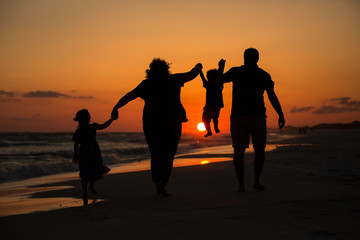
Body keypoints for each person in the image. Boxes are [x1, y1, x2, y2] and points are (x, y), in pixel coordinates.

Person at [111, 58, 202, 196]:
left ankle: (159, 183)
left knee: (156, 153)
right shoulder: (173, 79)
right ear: (167, 69)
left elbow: (130, 96)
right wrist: (198, 67)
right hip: (172, 123)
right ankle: (162, 184)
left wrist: (116, 107)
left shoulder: (147, 84)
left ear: (150, 71)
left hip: (151, 123)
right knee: (169, 153)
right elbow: (191, 74)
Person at [222, 48, 285, 192]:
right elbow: (272, 96)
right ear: (257, 59)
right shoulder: (263, 74)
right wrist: (280, 114)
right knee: (259, 150)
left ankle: (241, 185)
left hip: (239, 117)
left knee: (239, 151)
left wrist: (221, 68)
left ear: (244, 57)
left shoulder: (236, 72)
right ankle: (256, 181)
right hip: (257, 117)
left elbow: (218, 81)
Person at [72, 109, 113, 205]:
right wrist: (111, 119)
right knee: (94, 169)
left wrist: (75, 154)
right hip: (93, 152)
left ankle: (85, 192)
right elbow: (103, 126)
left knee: (85, 172)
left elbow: (76, 144)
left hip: (83, 152)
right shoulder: (91, 127)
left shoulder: (79, 131)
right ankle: (89, 188)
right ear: (88, 118)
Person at [199, 59, 226, 137]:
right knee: (213, 118)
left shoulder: (213, 84)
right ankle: (213, 129)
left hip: (212, 105)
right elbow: (220, 72)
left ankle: (212, 130)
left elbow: (203, 78)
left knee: (208, 119)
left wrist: (200, 71)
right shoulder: (217, 84)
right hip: (214, 105)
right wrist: (221, 65)